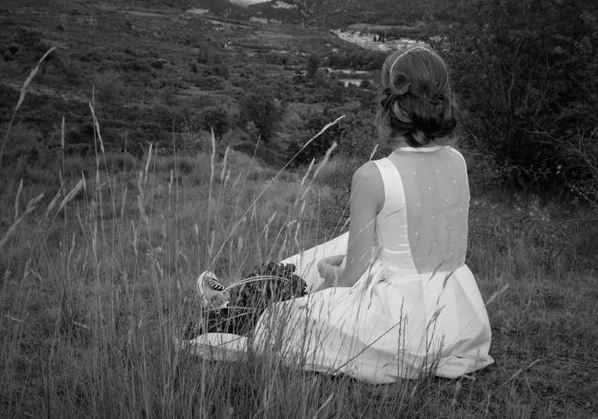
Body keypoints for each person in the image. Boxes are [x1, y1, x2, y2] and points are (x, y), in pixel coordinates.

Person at [188, 45, 494, 384]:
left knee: (278, 320)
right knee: (344, 243)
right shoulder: (457, 161)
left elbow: (348, 280)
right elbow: (422, 243)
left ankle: (232, 305)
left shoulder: (374, 175)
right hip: (460, 320)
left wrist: (326, 273)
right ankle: (234, 292)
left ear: (389, 102)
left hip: (400, 324)